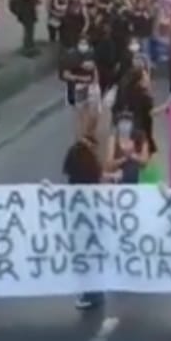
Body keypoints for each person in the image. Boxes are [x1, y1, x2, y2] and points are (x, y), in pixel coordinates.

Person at [63, 114, 105, 310]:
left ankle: (91, 294)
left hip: (81, 226)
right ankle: (97, 292)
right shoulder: (94, 178)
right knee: (94, 259)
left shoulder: (74, 187)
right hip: (94, 224)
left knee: (86, 260)